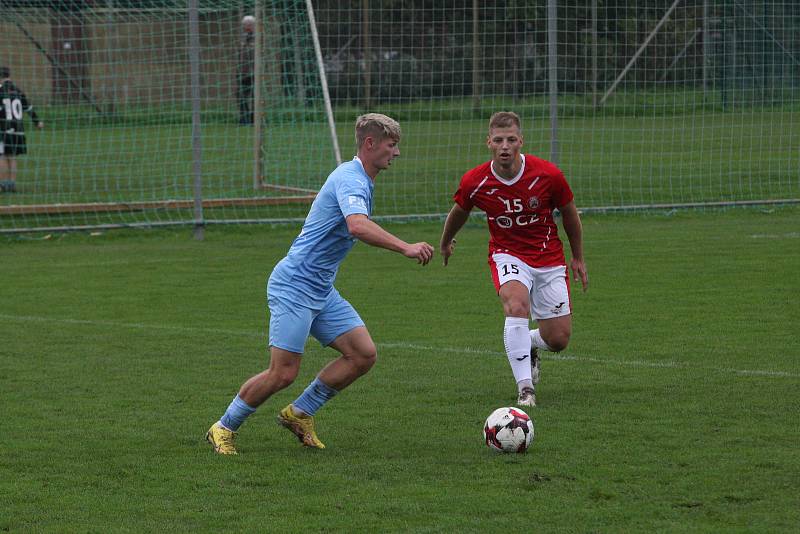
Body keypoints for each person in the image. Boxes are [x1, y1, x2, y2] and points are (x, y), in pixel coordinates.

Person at [206, 113, 434, 455]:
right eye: (392, 145)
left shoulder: (360, 179)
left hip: (320, 289)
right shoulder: (351, 178)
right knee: (283, 373)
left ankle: (299, 413)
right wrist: (405, 247)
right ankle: (223, 427)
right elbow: (357, 226)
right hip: (295, 286)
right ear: (370, 144)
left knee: (362, 354)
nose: (396, 153)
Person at [439, 111, 588, 407]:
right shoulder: (475, 180)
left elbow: (570, 213)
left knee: (558, 340)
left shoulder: (548, 175)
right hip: (507, 254)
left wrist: (578, 258)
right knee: (516, 305)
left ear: (521, 141)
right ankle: (525, 390)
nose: (504, 146)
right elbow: (460, 211)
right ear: (489, 143)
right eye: (498, 140)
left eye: (510, 139)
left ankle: (531, 343)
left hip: (548, 257)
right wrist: (445, 242)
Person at [0, 66, 44, 193]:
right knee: (12, 156)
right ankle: (12, 184)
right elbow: (28, 108)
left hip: (4, 129)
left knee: (2, 156)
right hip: (18, 129)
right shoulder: (18, 91)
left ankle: (3, 185)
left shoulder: (1, 91)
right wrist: (37, 122)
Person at [236, 15, 256, 125]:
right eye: (245, 25)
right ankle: (244, 118)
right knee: (241, 95)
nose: (247, 26)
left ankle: (255, 119)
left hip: (255, 72)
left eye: (249, 24)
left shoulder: (258, 37)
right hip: (242, 72)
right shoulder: (241, 38)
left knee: (255, 96)